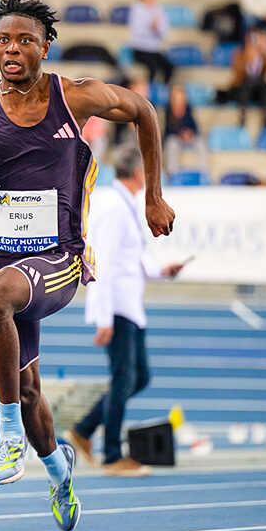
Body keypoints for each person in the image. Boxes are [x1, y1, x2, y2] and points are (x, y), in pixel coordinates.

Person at [0, 0, 175, 531]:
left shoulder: (73, 97)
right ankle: (58, 470)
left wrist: (153, 197)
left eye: (24, 40)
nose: (12, 49)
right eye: (3, 40)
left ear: (44, 47)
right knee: (28, 393)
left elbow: (145, 111)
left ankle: (6, 436)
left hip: (57, 258)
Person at [66, 149, 184, 476]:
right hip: (117, 306)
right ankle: (112, 455)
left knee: (138, 377)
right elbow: (100, 260)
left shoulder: (127, 206)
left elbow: (134, 258)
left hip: (130, 307)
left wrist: (162, 270)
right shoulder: (114, 208)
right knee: (124, 379)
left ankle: (85, 430)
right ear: (137, 173)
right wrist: (103, 318)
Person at [126, 0, 173, 85]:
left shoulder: (158, 9)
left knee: (169, 67)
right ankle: (148, 92)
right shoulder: (136, 9)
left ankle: (162, 90)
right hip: (140, 49)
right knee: (153, 67)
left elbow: (164, 31)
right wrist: (150, 27)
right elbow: (137, 31)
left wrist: (156, 28)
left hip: (154, 49)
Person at [163, 84, 207, 174]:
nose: (180, 101)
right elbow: (168, 130)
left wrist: (190, 133)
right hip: (175, 139)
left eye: (181, 98)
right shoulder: (168, 110)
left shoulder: (188, 109)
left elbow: (194, 127)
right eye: (177, 98)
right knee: (172, 144)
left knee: (201, 143)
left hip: (189, 139)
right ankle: (173, 173)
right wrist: (180, 134)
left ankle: (202, 172)